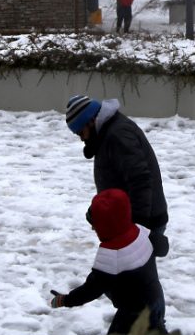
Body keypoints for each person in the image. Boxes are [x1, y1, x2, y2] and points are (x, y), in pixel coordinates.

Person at [48, 189, 166, 335]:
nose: (92, 228)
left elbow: (91, 290)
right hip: (156, 300)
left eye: (95, 224)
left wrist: (65, 300)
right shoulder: (141, 231)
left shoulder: (110, 254)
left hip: (133, 315)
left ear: (106, 225)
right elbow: (163, 247)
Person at [65, 95, 168, 257]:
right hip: (130, 221)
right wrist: (98, 211)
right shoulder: (106, 133)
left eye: (80, 132)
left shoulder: (118, 135)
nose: (81, 138)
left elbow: (140, 181)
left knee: (130, 271)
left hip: (143, 221)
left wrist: (137, 228)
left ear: (90, 121)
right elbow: (115, 180)